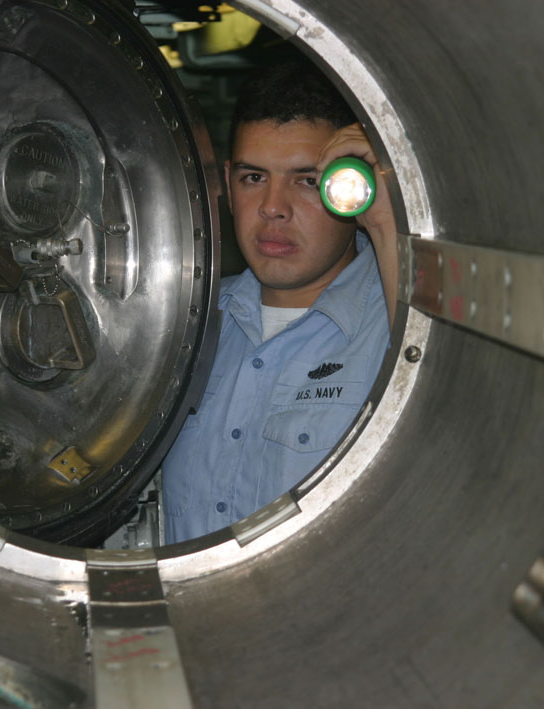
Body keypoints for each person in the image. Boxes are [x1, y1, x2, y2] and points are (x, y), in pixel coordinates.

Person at [161, 59, 398, 544]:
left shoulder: (401, 324)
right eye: (253, 177)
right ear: (227, 185)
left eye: (307, 180)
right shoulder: (181, 322)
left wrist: (388, 224)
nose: (273, 207)